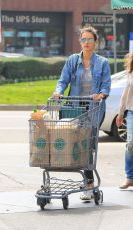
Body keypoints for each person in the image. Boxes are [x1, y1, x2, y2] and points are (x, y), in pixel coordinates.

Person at [52, 25, 111, 200]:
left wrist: (101, 94)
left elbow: (106, 85)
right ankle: (88, 183)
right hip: (75, 108)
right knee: (76, 144)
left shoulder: (102, 63)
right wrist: (58, 92)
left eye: (90, 39)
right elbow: (63, 81)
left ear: (95, 42)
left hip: (93, 108)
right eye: (83, 39)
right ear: (80, 41)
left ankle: (88, 184)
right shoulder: (72, 60)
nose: (86, 42)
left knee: (87, 145)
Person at [116, 52, 133, 189]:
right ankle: (130, 177)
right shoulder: (131, 72)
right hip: (132, 112)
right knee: (130, 144)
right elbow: (125, 94)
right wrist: (120, 113)